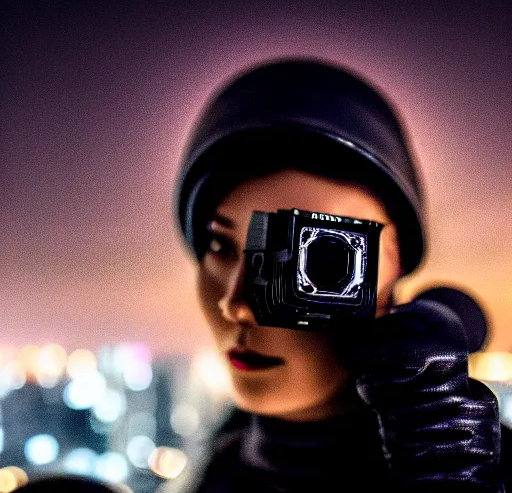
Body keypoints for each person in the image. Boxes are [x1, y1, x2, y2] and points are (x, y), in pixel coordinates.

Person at [158, 57, 511, 493]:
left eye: (319, 256)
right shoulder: (215, 460)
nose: (237, 304)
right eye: (220, 246)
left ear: (395, 264)